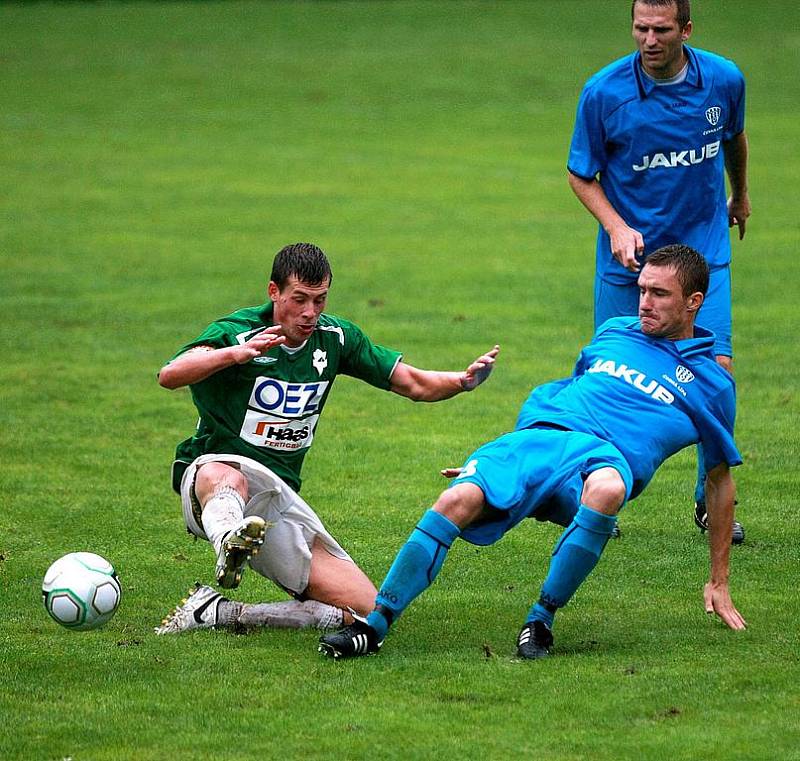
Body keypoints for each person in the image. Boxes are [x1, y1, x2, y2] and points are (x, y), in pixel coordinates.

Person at [319, 244, 746, 660]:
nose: (644, 303)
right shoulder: (615, 332)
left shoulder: (712, 386)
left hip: (605, 457)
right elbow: (569, 392)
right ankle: (373, 626)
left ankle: (540, 620)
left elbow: (718, 480)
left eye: (659, 294)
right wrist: (489, 462)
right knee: (458, 498)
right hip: (543, 437)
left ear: (694, 302)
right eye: (642, 290)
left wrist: (719, 580)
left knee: (609, 488)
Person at [154, 242, 499, 635]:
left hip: (276, 501)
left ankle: (221, 613)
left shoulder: (334, 337)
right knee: (230, 474)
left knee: (370, 611)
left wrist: (462, 381)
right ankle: (228, 538)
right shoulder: (236, 332)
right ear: (274, 292)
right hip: (212, 480)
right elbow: (171, 374)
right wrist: (235, 355)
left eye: (319, 301)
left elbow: (414, 384)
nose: (309, 313)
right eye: (299, 299)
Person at [566, 0, 750, 543]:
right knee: (605, 378)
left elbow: (733, 138)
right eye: (640, 28)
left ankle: (709, 502)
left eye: (661, 29)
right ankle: (595, 492)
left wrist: (740, 195)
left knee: (717, 374)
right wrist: (617, 228)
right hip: (630, 262)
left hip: (702, 254)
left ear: (685, 30)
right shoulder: (604, 92)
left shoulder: (723, 79)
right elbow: (582, 174)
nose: (649, 39)